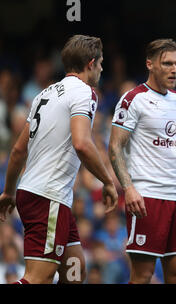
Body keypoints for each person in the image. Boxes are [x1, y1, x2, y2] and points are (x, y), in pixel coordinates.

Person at [0, 34, 118, 284]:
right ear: (91, 63)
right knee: (38, 278)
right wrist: (108, 181)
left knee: (74, 271)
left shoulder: (44, 95)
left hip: (42, 194)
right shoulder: (86, 93)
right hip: (48, 196)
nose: (102, 69)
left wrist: (9, 191)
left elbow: (19, 150)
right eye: (101, 63)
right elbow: (82, 143)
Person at [108, 38, 176, 284]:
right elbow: (114, 147)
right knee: (143, 275)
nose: (174, 69)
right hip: (146, 198)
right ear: (150, 64)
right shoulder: (133, 99)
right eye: (167, 63)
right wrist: (129, 188)